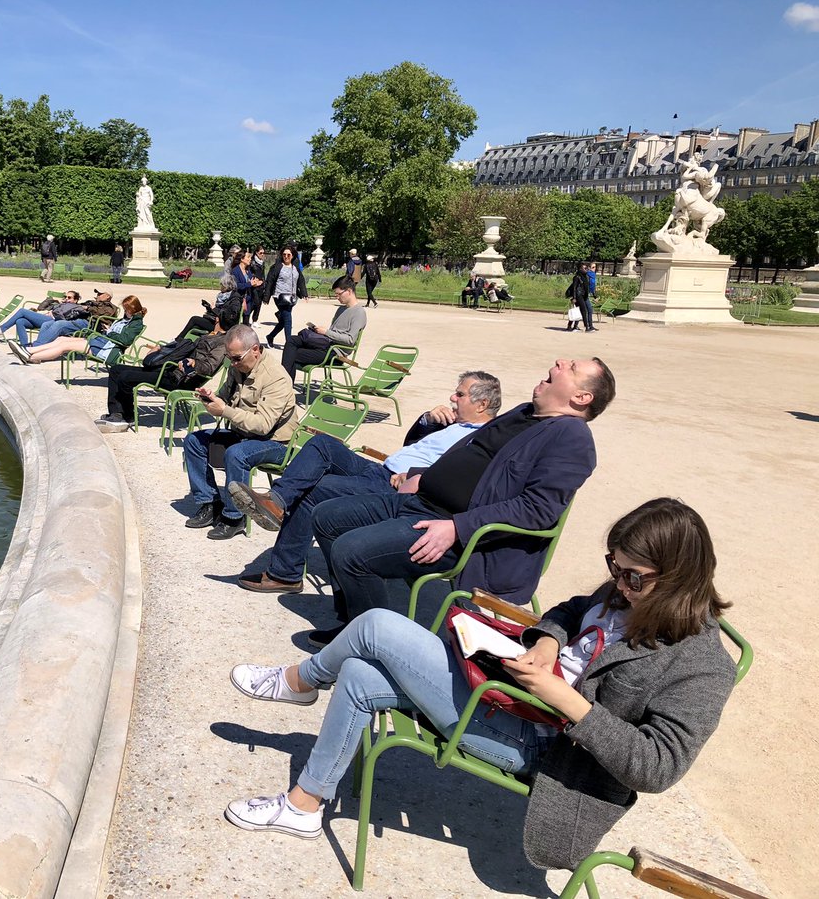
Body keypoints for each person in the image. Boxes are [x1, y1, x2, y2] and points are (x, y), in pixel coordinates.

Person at [223, 497, 736, 879]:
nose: (619, 585)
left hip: (550, 750)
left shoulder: (702, 665)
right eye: (613, 567)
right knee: (358, 673)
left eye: (634, 577)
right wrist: (549, 644)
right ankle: (304, 806)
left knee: (378, 625)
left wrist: (566, 700)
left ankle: (300, 682)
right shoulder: (623, 595)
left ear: (679, 578)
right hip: (511, 697)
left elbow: (658, 767)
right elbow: (568, 612)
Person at [304, 356, 616, 646]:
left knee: (351, 551)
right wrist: (421, 475)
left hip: (463, 537)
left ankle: (370, 643)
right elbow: (470, 456)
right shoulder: (524, 412)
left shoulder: (572, 438)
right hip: (420, 502)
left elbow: (537, 510)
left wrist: (457, 527)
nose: (560, 362)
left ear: (581, 397)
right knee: (327, 516)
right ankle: (355, 617)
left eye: (571, 368)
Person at [233, 372, 502, 593]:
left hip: (394, 486)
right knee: (323, 444)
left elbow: (460, 474)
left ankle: (285, 574)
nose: (452, 398)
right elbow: (410, 444)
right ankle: (276, 501)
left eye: (460, 394)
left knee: (314, 490)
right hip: (379, 469)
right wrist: (428, 419)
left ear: (482, 405)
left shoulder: (484, 439)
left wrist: (417, 475)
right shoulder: (454, 423)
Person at [182, 324, 299, 541]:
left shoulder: (276, 378)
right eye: (230, 358)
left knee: (237, 453)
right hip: (243, 434)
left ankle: (234, 517)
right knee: (193, 441)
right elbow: (225, 398)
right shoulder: (238, 367)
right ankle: (209, 503)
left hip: (275, 442)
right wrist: (212, 399)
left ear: (255, 349)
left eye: (236, 358)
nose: (233, 363)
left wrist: (224, 410)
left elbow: (263, 425)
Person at [96, 302, 239, 433]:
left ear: (217, 320)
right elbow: (181, 348)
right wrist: (161, 349)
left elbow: (209, 367)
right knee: (116, 370)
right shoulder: (210, 334)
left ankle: (125, 416)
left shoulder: (222, 343)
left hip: (178, 379)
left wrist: (195, 363)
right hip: (168, 368)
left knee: (125, 377)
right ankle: (118, 414)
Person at [9, 295, 146, 365]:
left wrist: (110, 332)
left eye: (127, 309)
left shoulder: (136, 324)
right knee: (61, 339)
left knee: (65, 346)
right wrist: (110, 330)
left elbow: (125, 340)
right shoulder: (127, 319)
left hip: (108, 349)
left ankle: (29, 355)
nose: (125, 311)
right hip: (102, 341)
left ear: (133, 309)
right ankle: (27, 352)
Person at [280, 274, 366, 382]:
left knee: (292, 354)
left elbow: (350, 340)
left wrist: (326, 332)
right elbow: (333, 332)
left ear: (348, 291)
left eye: (339, 294)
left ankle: (284, 386)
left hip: (335, 353)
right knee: (291, 341)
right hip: (326, 344)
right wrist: (321, 331)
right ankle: (285, 386)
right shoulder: (341, 309)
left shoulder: (359, 312)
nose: (337, 297)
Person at [0, 290, 113, 346]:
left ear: (107, 296)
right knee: (21, 321)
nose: (97, 295)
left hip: (83, 324)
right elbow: (41, 307)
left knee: (23, 311)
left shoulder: (111, 307)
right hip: (70, 320)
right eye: (97, 293)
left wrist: (88, 308)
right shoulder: (90, 302)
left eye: (100, 293)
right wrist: (54, 301)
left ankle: (33, 347)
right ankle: (25, 347)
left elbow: (101, 315)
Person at [263, 245, 308, 348]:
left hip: (291, 298)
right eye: (284, 254)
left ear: (292, 255)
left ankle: (270, 336)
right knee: (288, 318)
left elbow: (300, 280)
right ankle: (289, 344)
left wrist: (304, 293)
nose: (286, 256)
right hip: (279, 296)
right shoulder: (277, 267)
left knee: (284, 321)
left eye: (288, 254)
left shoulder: (295, 267)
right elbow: (270, 281)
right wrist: (266, 297)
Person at [175, 274, 239, 341]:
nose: (220, 287)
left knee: (194, 319)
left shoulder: (234, 299)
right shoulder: (224, 296)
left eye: (222, 285)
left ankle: (178, 340)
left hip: (222, 325)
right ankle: (184, 341)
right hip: (216, 321)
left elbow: (229, 315)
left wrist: (214, 309)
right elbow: (220, 311)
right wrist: (209, 308)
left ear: (227, 286)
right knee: (195, 323)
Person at [231, 250, 262, 325]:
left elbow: (251, 281)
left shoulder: (248, 270)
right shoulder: (235, 271)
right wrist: (250, 284)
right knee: (235, 324)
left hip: (248, 300)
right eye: (248, 257)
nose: (250, 259)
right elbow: (237, 286)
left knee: (246, 324)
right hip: (238, 300)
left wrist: (255, 283)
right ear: (242, 259)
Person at [569, 262, 595, 332]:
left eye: (587, 268)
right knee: (584, 310)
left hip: (584, 295)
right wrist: (574, 297)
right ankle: (587, 327)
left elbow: (587, 287)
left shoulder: (585, 277)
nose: (586, 270)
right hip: (578, 295)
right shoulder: (577, 277)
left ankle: (571, 326)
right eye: (585, 268)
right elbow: (574, 288)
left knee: (578, 311)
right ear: (580, 269)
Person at [248, 246, 267, 323]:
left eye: (263, 253)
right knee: (255, 303)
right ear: (256, 253)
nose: (262, 254)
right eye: (260, 253)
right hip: (254, 286)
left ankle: (255, 320)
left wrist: (263, 282)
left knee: (259, 304)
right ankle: (246, 316)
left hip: (261, 285)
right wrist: (254, 280)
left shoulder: (262, 262)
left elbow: (263, 274)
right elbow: (249, 272)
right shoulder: (252, 262)